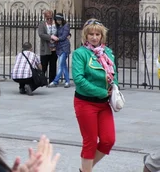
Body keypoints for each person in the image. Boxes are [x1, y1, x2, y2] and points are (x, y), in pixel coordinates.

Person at [73, 19, 118, 172]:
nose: (94, 37)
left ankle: (85, 168)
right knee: (90, 141)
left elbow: (114, 74)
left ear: (101, 36)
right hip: (85, 103)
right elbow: (79, 79)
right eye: (91, 34)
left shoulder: (108, 53)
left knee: (108, 140)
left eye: (97, 34)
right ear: (85, 36)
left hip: (104, 104)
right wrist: (102, 92)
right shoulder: (80, 54)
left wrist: (114, 88)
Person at [48, 13, 71, 88]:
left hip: (65, 47)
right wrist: (53, 39)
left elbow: (64, 36)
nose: (58, 21)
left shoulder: (66, 25)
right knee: (63, 65)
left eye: (60, 20)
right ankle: (67, 81)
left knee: (61, 65)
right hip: (58, 47)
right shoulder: (57, 26)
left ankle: (55, 81)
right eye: (57, 20)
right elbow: (55, 34)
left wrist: (57, 39)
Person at [38, 10, 58, 84]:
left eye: (51, 18)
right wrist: (50, 37)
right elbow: (41, 34)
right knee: (44, 65)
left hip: (54, 48)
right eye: (47, 18)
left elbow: (60, 30)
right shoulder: (42, 24)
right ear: (45, 18)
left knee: (53, 66)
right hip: (45, 48)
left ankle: (52, 81)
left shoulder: (55, 24)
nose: (49, 20)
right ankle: (42, 81)